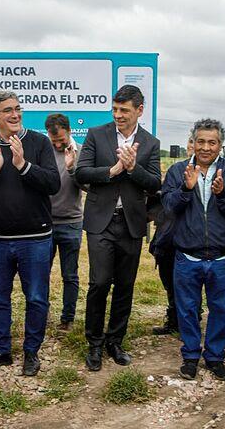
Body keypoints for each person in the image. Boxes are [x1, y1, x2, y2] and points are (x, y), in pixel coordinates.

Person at [0, 90, 60, 376]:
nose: (15, 114)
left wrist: (23, 166)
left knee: (37, 298)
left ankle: (31, 352)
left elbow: (53, 183)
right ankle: (1, 350)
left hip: (36, 239)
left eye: (18, 109)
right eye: (8, 110)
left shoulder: (39, 143)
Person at [75, 84, 161, 371]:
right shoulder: (97, 135)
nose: (118, 115)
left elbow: (155, 184)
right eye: (114, 109)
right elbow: (81, 173)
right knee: (99, 283)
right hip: (101, 221)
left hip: (132, 223)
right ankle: (95, 343)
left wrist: (134, 168)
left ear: (139, 110)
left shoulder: (150, 143)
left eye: (124, 110)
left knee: (125, 285)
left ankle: (115, 341)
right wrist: (113, 171)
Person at [162, 119, 225, 381]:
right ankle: (190, 356)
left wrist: (222, 194)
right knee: (187, 309)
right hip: (187, 255)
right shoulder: (178, 171)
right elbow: (168, 206)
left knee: (219, 309)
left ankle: (214, 357)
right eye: (201, 141)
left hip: (221, 257)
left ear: (220, 145)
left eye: (212, 142)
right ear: (193, 142)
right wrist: (186, 190)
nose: (206, 147)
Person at [45, 113, 86, 331]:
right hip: (45, 224)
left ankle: (67, 318)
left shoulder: (82, 152)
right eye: (54, 141)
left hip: (71, 223)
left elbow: (87, 186)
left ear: (69, 131)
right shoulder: (44, 152)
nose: (59, 145)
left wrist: (72, 168)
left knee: (69, 274)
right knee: (41, 273)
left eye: (61, 140)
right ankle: (42, 314)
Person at [149, 138, 194, 335]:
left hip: (191, 237)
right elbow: (162, 202)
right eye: (192, 143)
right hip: (168, 238)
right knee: (168, 279)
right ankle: (174, 318)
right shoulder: (175, 172)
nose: (195, 148)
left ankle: (190, 320)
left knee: (189, 284)